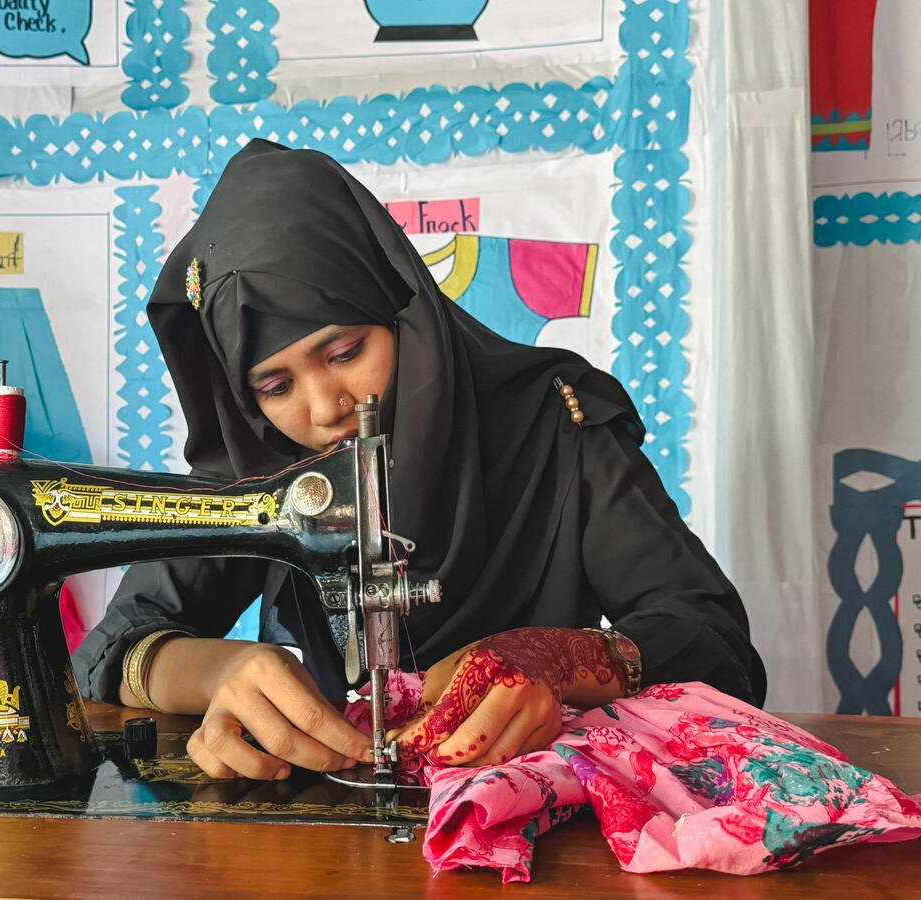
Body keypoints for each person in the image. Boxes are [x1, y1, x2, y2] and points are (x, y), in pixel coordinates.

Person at [72, 139, 766, 780]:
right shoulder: (264, 470)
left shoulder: (557, 422)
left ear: (405, 315)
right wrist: (220, 670)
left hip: (542, 803)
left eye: (345, 353)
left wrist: (560, 660)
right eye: (275, 387)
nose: (324, 407)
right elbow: (112, 649)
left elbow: (716, 645)